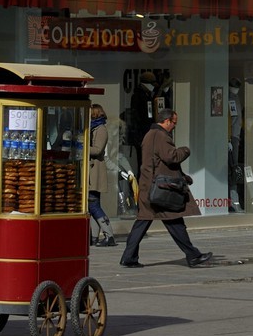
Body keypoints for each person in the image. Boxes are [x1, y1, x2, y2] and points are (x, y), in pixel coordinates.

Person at [119, 109, 214, 269]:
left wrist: (182, 176)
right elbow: (171, 157)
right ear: (167, 121)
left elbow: (159, 162)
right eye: (174, 122)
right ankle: (193, 256)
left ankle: (129, 257)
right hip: (160, 189)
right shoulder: (160, 136)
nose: (175, 126)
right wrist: (185, 150)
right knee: (174, 221)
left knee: (143, 222)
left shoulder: (150, 135)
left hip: (149, 186)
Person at [87, 103, 117, 246]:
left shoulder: (100, 129)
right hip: (91, 171)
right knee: (92, 204)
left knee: (93, 204)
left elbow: (98, 150)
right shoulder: (93, 128)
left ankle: (109, 234)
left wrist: (83, 146)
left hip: (96, 171)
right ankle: (94, 237)